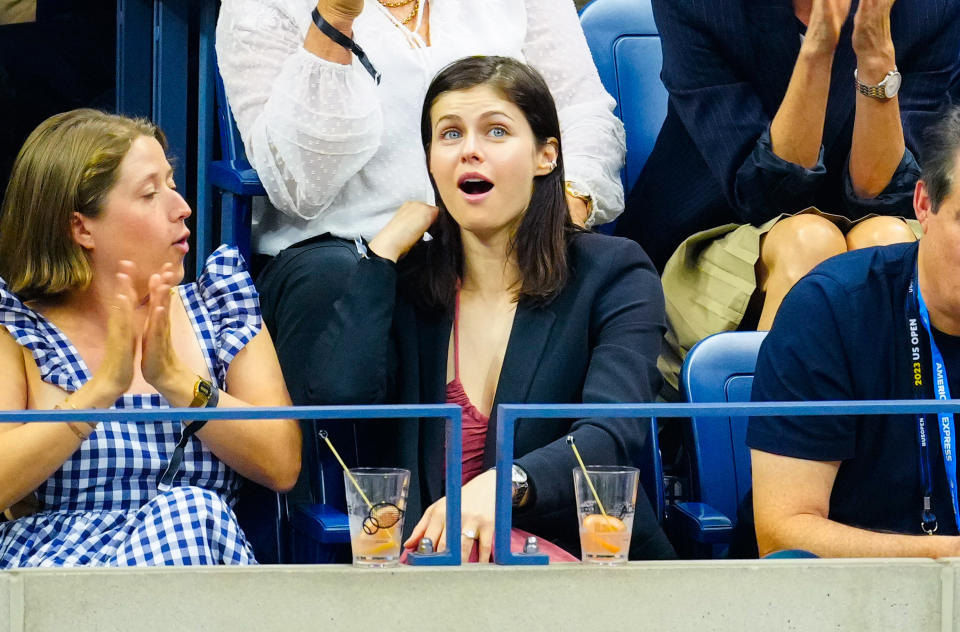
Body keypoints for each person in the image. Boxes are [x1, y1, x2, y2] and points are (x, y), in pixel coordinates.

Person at [312, 56, 674, 562]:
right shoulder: (409, 285)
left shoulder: (612, 274)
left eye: (497, 132)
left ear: (546, 156)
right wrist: (381, 256)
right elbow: (339, 398)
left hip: (572, 566)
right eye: (450, 134)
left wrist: (506, 485)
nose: (470, 152)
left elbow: (609, 437)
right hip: (435, 575)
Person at [214, 0, 626, 418]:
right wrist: (336, 18)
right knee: (334, 282)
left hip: (497, 243)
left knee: (591, 270)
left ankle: (530, 477)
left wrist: (566, 207)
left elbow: (580, 111)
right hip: (351, 252)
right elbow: (300, 183)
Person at [612, 0, 960, 395]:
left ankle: (899, 453)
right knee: (809, 243)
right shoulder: (700, 6)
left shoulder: (931, 9)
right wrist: (818, 50)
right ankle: (769, 451)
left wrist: (875, 58)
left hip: (873, 228)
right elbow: (766, 193)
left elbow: (886, 195)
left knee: (888, 248)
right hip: (718, 232)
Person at [0, 109, 301, 566]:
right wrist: (101, 391)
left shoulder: (220, 307)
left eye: (173, 184)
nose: (182, 207)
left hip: (198, 560)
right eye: (149, 193)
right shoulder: (17, 329)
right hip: (61, 580)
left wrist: (178, 382)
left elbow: (282, 464)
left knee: (190, 510)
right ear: (81, 227)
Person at [748, 105, 960, 558]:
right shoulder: (831, 309)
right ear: (924, 205)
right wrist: (949, 560)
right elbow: (782, 533)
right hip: (848, 606)